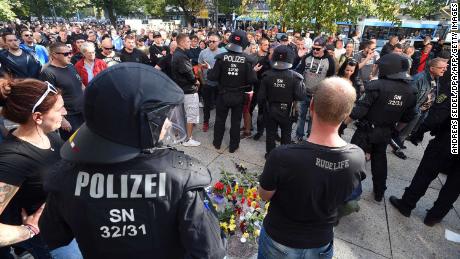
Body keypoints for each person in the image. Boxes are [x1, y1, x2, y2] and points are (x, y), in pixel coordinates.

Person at [38, 63, 226, 259]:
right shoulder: (182, 177)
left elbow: (54, 235)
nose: (169, 123)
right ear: (136, 124)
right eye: (161, 117)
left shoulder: (64, 176)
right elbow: (210, 251)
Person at [257, 77, 364, 259]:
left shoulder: (282, 155)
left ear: (312, 105)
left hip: (279, 239)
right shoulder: (357, 157)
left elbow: (264, 194)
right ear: (348, 114)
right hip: (321, 241)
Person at [0, 78, 82, 259]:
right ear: (37, 117)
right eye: (59, 109)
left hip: (67, 223)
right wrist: (27, 231)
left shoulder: (49, 136)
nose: (65, 112)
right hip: (51, 241)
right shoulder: (13, 160)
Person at [389, 67, 458, 227]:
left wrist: (419, 131)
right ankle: (434, 217)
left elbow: (438, 115)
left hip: (449, 139)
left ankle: (407, 204)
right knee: (454, 186)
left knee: (426, 173)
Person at [345, 53, 417, 202]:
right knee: (379, 160)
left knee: (353, 160)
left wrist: (342, 125)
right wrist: (395, 130)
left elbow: (358, 112)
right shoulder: (411, 90)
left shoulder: (375, 86)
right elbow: (409, 117)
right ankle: (379, 192)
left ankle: (347, 191)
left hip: (366, 131)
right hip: (386, 131)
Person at [208, 30, 257, 153]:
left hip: (223, 94)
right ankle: (233, 146)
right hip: (238, 95)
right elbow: (252, 80)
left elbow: (212, 77)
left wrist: (209, 71)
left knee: (220, 120)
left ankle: (217, 143)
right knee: (235, 122)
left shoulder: (221, 58)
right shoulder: (247, 60)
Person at [390, 58, 448, 160]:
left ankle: (398, 142)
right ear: (432, 68)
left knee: (407, 131)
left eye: (445, 67)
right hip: (414, 111)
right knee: (402, 131)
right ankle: (396, 147)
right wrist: (414, 112)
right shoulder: (419, 79)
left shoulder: (436, 78)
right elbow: (409, 98)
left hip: (422, 111)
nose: (444, 70)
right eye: (442, 68)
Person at [258, 45, 306, 158]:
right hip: (287, 111)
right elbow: (300, 96)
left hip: (270, 109)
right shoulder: (296, 77)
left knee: (270, 134)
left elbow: (261, 97)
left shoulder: (267, 75)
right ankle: (284, 157)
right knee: (286, 135)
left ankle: (270, 155)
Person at [39, 42, 85, 141]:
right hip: (69, 116)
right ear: (55, 55)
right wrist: (62, 119)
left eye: (70, 52)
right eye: (66, 54)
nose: (70, 55)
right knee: (73, 143)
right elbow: (50, 98)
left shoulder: (71, 66)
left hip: (82, 111)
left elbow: (80, 85)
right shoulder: (48, 73)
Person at [295, 38, 336, 142]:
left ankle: (311, 137)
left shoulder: (329, 60)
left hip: (318, 95)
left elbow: (331, 79)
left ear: (324, 48)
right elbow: (298, 71)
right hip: (304, 92)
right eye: (313, 48)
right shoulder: (307, 57)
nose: (315, 51)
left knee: (314, 119)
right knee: (301, 116)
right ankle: (299, 135)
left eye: (318, 49)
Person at [171, 33, 201, 147]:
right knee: (191, 115)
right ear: (182, 42)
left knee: (183, 115)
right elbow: (188, 73)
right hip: (188, 90)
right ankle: (188, 139)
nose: (190, 43)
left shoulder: (178, 54)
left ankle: (182, 136)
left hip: (181, 89)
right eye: (188, 41)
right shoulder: (181, 56)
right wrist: (195, 81)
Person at [198, 33, 226, 132]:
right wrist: (202, 82)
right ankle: (206, 122)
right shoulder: (203, 53)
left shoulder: (223, 52)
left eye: (213, 41)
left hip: (219, 84)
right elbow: (199, 69)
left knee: (220, 106)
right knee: (207, 105)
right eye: (209, 41)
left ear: (219, 42)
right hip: (207, 84)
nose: (211, 43)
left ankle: (219, 124)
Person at [250, 37, 271, 141]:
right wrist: (253, 70)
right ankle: (248, 127)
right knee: (250, 108)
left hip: (266, 88)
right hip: (255, 87)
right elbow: (248, 72)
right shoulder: (253, 57)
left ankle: (260, 131)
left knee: (262, 112)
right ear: (260, 45)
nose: (267, 46)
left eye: (268, 45)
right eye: (265, 45)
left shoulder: (269, 58)